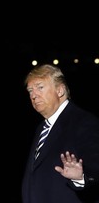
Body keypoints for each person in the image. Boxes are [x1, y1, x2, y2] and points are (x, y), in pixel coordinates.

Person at [21, 63, 99, 203]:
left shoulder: (84, 122)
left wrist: (80, 178)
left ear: (60, 90)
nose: (33, 95)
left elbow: (95, 169)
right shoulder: (42, 127)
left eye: (40, 87)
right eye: (30, 90)